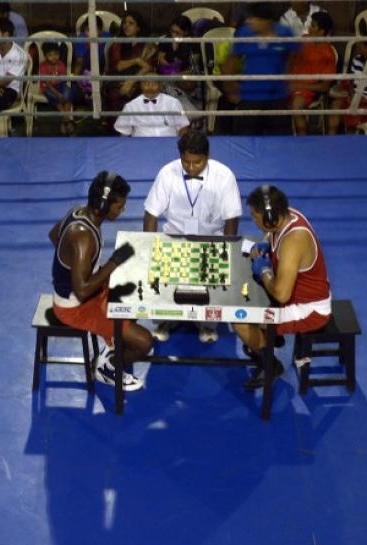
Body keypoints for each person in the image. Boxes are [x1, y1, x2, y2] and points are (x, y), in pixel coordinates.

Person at [49, 171, 153, 390]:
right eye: (119, 206)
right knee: (144, 343)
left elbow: (54, 235)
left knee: (135, 293)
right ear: (103, 207)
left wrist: (75, 263)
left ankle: (112, 339)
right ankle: (109, 367)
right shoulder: (84, 237)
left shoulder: (77, 212)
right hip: (74, 308)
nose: (123, 209)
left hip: (83, 293)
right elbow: (83, 292)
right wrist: (113, 262)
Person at [143, 131, 241, 343]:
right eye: (186, 162)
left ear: (207, 155)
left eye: (197, 162)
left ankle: (206, 324)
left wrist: (228, 251)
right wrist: (148, 247)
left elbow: (231, 217)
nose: (191, 167)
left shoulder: (224, 176)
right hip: (174, 238)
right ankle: (164, 320)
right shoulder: (167, 173)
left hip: (210, 240)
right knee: (165, 288)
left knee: (209, 292)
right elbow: (151, 212)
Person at [235, 185, 331, 389]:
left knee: (239, 319)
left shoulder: (294, 240)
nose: (253, 220)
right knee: (248, 304)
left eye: (254, 216)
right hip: (299, 298)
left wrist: (263, 271)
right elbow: (271, 236)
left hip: (308, 310)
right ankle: (267, 337)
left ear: (270, 217)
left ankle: (271, 364)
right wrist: (265, 244)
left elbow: (281, 294)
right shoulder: (288, 215)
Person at [227, 2, 299, 135]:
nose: (249, 21)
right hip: (250, 97)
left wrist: (286, 80)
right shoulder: (244, 33)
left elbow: (292, 56)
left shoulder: (285, 33)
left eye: (253, 18)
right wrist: (230, 88)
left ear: (266, 21)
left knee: (280, 142)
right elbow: (231, 60)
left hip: (277, 98)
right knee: (244, 143)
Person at [288, 11, 336, 135]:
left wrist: (299, 86)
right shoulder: (302, 41)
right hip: (289, 84)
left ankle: (302, 141)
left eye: (313, 26)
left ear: (322, 32)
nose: (309, 28)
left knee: (296, 106)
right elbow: (288, 61)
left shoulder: (328, 54)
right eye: (310, 24)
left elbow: (324, 86)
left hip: (307, 90)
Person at [104, 10, 156, 113]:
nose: (126, 26)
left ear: (138, 27)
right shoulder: (117, 44)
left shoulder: (149, 46)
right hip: (117, 79)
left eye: (131, 23)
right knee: (116, 94)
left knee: (146, 92)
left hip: (140, 80)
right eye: (124, 23)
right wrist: (136, 61)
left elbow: (149, 68)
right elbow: (117, 66)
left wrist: (131, 82)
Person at [114, 77, 190, 137]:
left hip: (169, 142)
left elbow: (183, 127)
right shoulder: (131, 106)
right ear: (141, 85)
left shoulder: (173, 102)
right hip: (141, 144)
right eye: (146, 83)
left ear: (160, 86)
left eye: (154, 84)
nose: (150, 87)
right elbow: (123, 131)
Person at [39, 42, 78, 135]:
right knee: (56, 98)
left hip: (60, 85)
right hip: (47, 87)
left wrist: (62, 93)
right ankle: (67, 121)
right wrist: (58, 94)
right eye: (50, 55)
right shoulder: (43, 66)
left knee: (69, 94)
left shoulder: (61, 65)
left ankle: (64, 121)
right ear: (45, 56)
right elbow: (47, 84)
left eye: (56, 54)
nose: (54, 57)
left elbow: (63, 81)